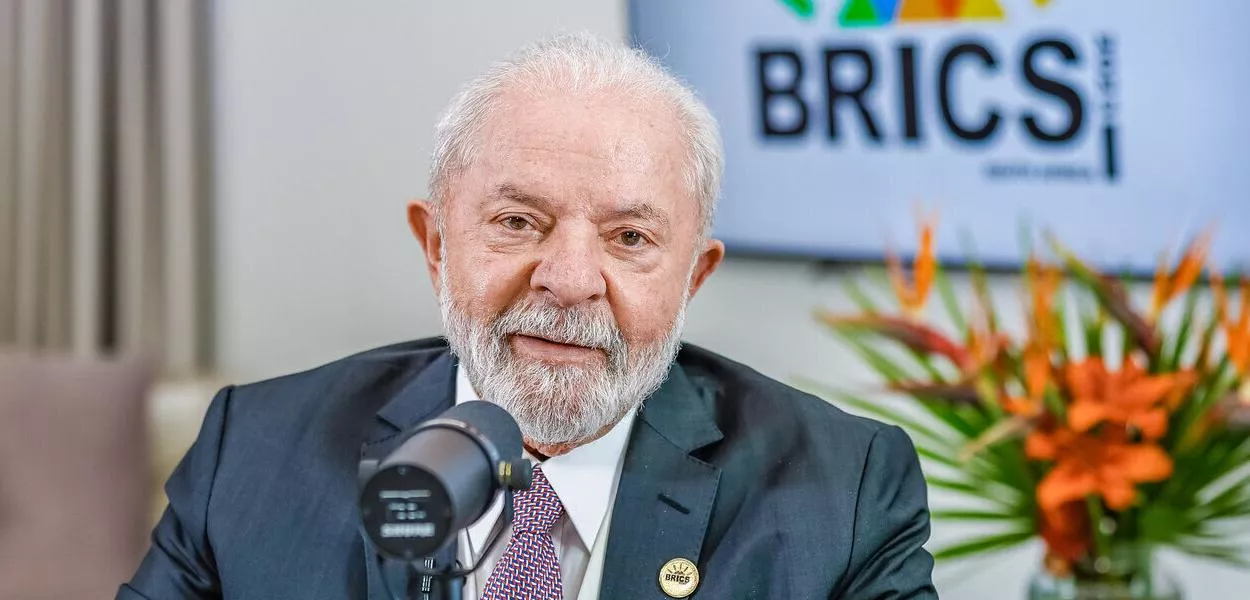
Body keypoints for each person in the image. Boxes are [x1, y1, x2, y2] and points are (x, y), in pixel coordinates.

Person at [119, 32, 937, 600]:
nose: (570, 282)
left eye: (630, 237)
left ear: (694, 277)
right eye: (518, 222)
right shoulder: (252, 453)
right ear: (436, 246)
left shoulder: (844, 492)